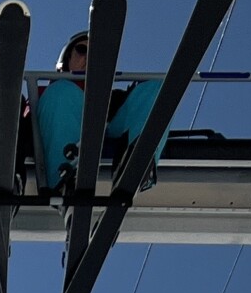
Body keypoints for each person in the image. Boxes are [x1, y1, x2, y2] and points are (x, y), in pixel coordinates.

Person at [35, 30, 167, 196]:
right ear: (66, 59)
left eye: (96, 54)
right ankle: (68, 180)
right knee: (61, 91)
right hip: (67, 137)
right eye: (82, 50)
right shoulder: (47, 95)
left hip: (106, 124)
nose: (89, 57)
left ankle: (136, 161)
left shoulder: (114, 100)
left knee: (155, 88)